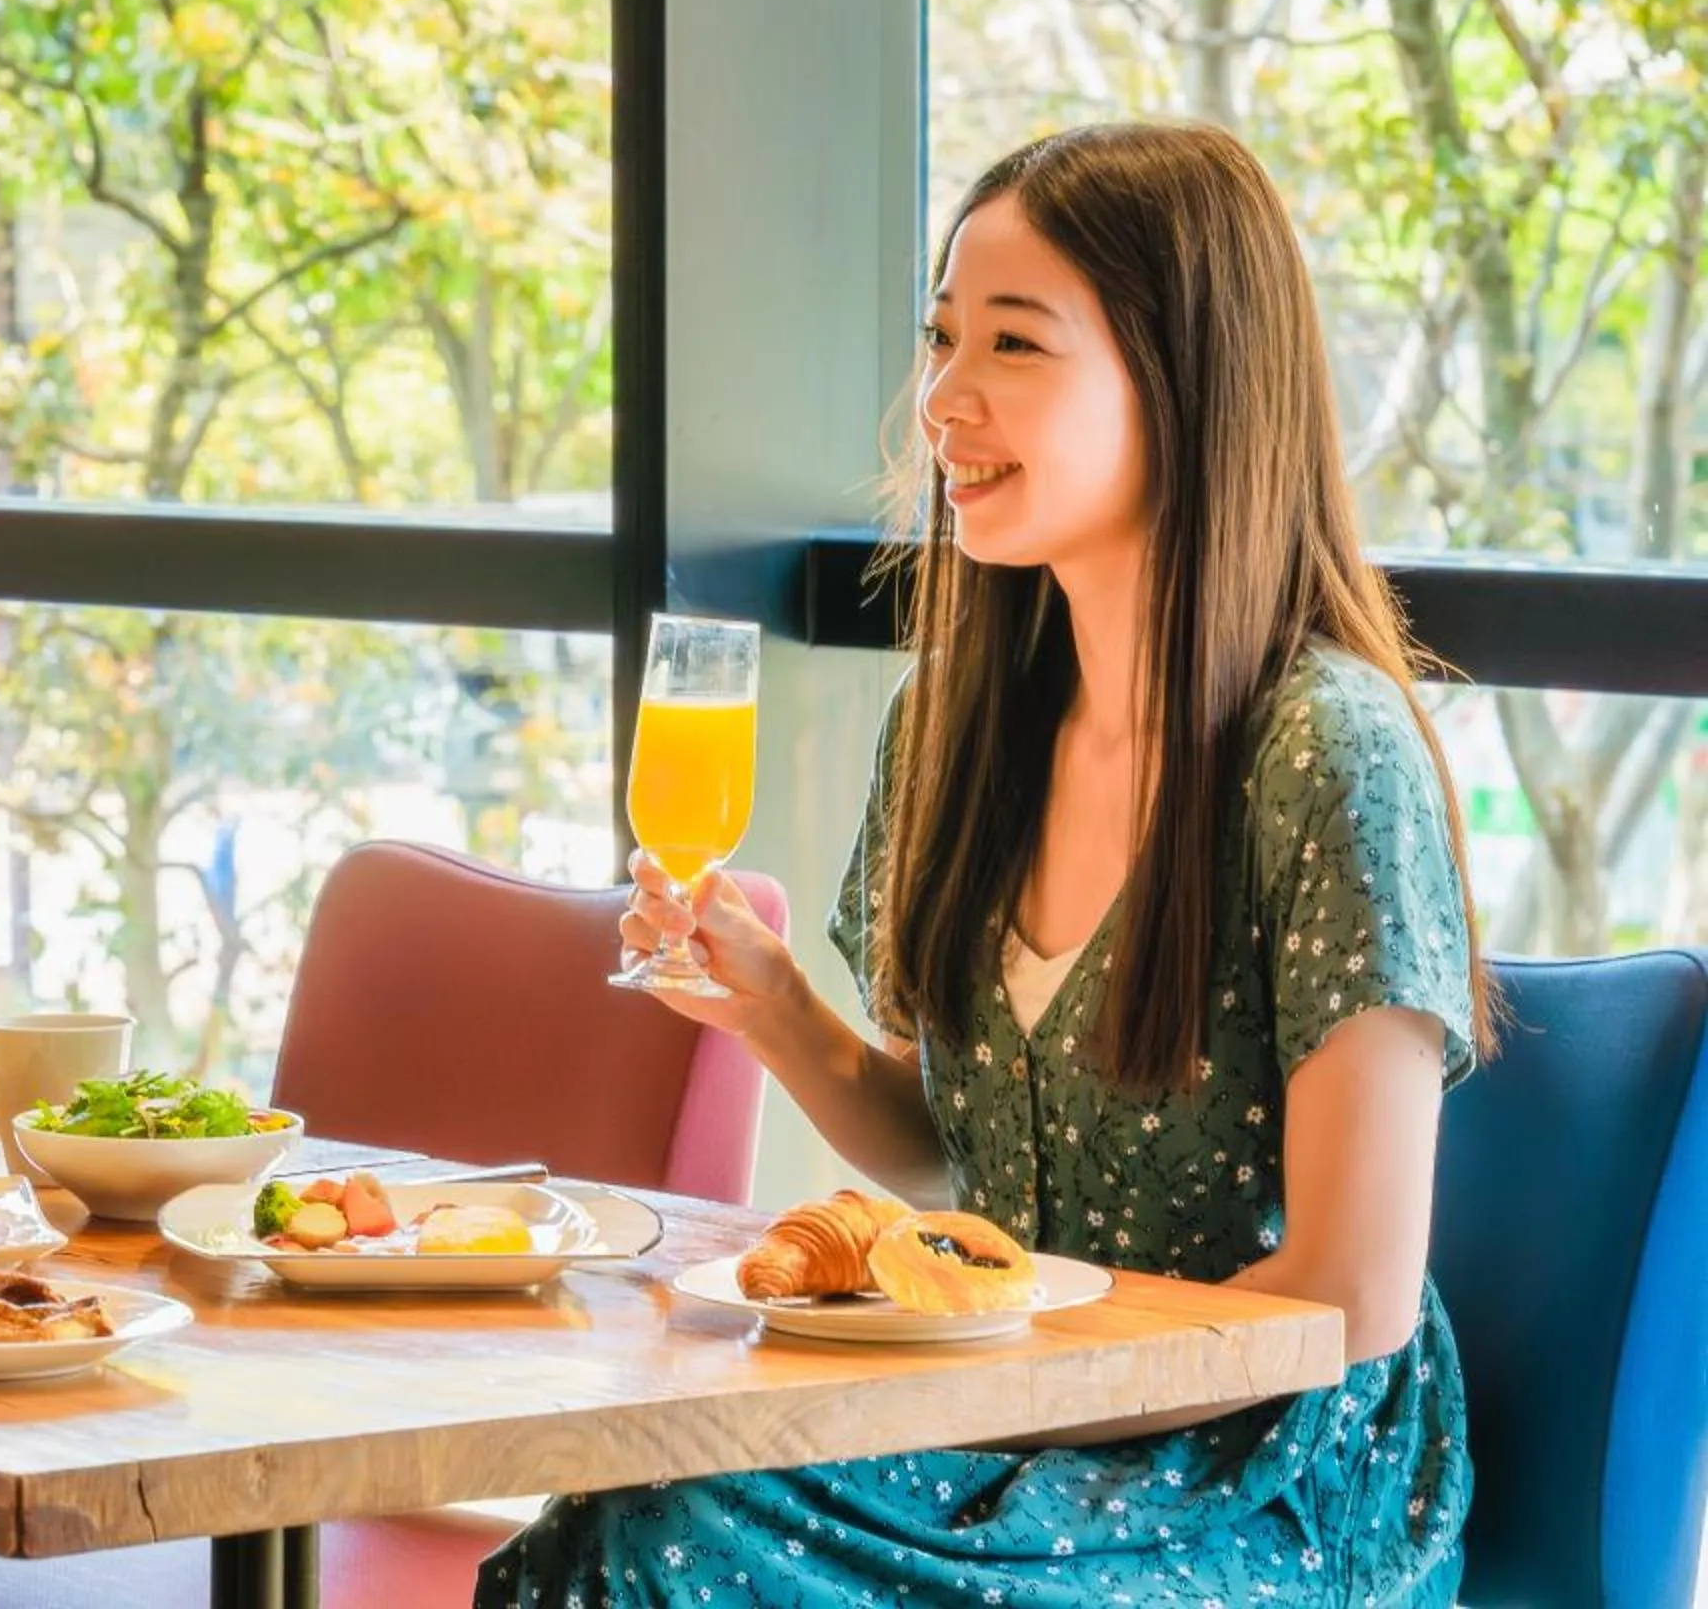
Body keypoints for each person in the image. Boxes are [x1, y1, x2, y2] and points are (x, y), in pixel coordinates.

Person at [490, 122, 1484, 1607]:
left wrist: (1002, 1376)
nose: (943, 399)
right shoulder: (956, 723)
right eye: (941, 336)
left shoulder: (1328, 755)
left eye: (1015, 346)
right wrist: (776, 1012)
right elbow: (946, 1151)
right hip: (999, 1415)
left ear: (1188, 381)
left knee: (669, 1543)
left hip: (1267, 1469)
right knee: (613, 1517)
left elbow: (1352, 1296)